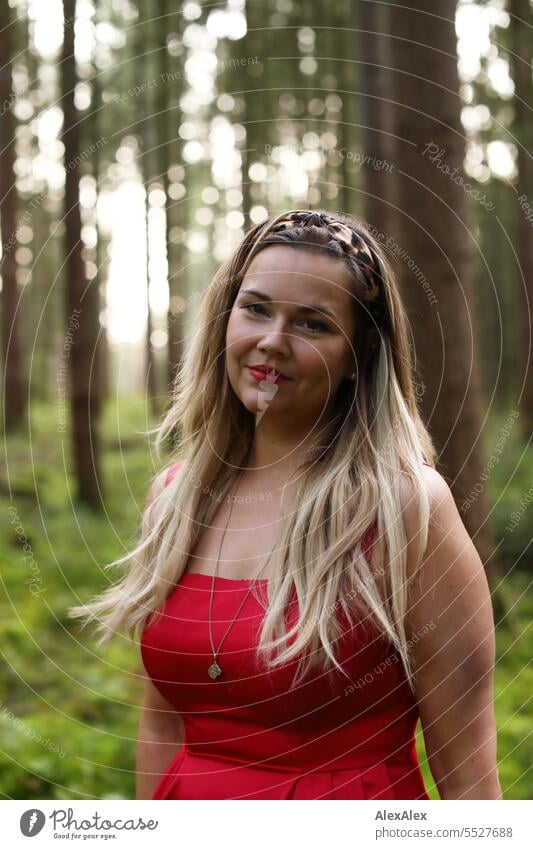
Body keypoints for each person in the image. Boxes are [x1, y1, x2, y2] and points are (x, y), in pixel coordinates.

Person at [70, 209, 502, 800]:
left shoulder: (405, 507)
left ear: (359, 355)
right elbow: (163, 720)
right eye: (255, 309)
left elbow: (469, 779)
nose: (272, 341)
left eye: (313, 324)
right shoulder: (176, 496)